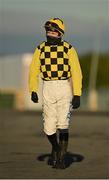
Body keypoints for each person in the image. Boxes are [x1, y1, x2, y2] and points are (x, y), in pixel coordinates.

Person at [29, 18, 82, 169]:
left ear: (60, 33)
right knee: (49, 128)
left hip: (64, 87)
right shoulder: (40, 49)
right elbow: (33, 70)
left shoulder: (68, 49)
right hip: (47, 87)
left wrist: (77, 93)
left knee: (63, 124)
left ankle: (61, 159)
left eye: (53, 31)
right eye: (48, 31)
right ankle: (56, 148)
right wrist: (33, 89)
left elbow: (76, 72)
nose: (50, 34)